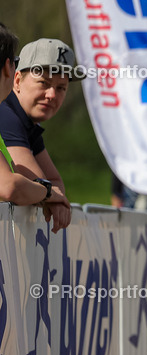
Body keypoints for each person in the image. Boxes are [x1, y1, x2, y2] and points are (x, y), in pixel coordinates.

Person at [0, 37, 74, 231]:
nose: (52, 95)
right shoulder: (5, 113)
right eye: (43, 83)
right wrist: (52, 197)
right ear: (17, 80)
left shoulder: (27, 122)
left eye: (61, 88)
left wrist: (52, 196)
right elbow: (34, 183)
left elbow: (53, 183)